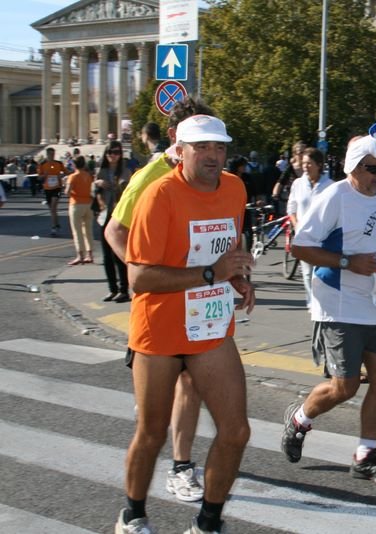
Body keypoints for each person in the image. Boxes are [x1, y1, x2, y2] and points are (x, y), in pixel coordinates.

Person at [114, 114, 254, 534]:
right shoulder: (160, 195)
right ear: (182, 151)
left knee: (236, 431)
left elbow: (231, 240)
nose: (213, 156)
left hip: (209, 328)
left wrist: (240, 277)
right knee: (152, 432)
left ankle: (208, 523)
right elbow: (139, 278)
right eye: (203, 148)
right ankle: (132, 515)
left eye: (220, 148)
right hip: (159, 330)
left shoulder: (235, 188)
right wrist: (212, 273)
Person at [281, 134, 376, 485]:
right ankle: (300, 419)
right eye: (372, 170)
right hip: (341, 306)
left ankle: (366, 455)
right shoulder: (334, 197)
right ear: (353, 166)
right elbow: (301, 247)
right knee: (345, 386)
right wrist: (346, 262)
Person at [105, 97, 215, 506]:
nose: (205, 149)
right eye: (196, 140)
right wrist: (142, 273)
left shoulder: (209, 177)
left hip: (201, 299)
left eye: (210, 141)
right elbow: (115, 230)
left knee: (193, 383)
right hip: (160, 302)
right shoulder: (151, 175)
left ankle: (181, 466)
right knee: (156, 411)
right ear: (175, 138)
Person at [287, 147, 334, 306]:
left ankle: (324, 303)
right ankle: (313, 304)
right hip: (304, 236)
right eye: (304, 163)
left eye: (310, 163)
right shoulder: (298, 184)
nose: (305, 167)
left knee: (322, 271)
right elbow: (291, 208)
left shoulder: (330, 186)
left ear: (319, 165)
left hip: (324, 236)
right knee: (307, 273)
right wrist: (296, 225)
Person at [95, 140, 131, 303]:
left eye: (116, 152)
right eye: (110, 152)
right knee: (106, 256)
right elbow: (93, 191)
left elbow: (127, 189)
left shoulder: (124, 170)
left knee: (118, 254)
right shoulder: (101, 171)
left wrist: (117, 185)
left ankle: (124, 290)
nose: (113, 156)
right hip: (104, 215)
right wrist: (97, 184)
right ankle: (112, 289)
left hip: (119, 216)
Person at [63, 156, 94, 265]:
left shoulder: (73, 176)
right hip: (88, 204)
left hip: (76, 204)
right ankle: (90, 254)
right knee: (88, 230)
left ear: (74, 165)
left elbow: (67, 192)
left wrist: (65, 185)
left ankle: (80, 255)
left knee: (77, 231)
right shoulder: (88, 176)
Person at [273, 141, 306, 214]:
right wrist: (275, 194)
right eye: (300, 153)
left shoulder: (309, 167)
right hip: (294, 201)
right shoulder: (290, 168)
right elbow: (280, 182)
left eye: (305, 152)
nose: (303, 155)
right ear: (295, 154)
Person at [38, 147, 66, 232]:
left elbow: (66, 172)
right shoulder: (42, 164)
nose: (52, 156)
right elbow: (39, 177)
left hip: (57, 188)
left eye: (53, 154)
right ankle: (56, 224)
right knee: (52, 209)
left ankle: (53, 226)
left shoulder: (59, 163)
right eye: (50, 154)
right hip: (47, 188)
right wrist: (44, 175)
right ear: (47, 155)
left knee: (53, 207)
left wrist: (61, 175)